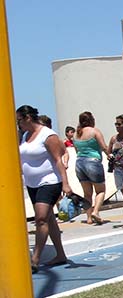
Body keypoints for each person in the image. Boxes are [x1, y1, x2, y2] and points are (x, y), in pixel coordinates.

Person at [19, 105, 72, 272]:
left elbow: (58, 159)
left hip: (49, 182)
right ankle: (60, 255)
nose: (18, 124)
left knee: (41, 219)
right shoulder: (25, 135)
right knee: (49, 219)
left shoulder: (48, 135)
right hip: (32, 184)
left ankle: (35, 259)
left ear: (28, 118)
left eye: (19, 120)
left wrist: (65, 183)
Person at [73, 111, 109, 225]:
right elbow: (104, 147)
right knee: (100, 190)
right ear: (91, 120)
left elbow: (76, 150)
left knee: (87, 194)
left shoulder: (76, 134)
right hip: (93, 162)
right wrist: (110, 155)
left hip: (79, 163)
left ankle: (89, 218)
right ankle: (96, 212)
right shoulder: (94, 131)